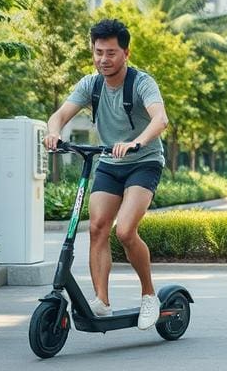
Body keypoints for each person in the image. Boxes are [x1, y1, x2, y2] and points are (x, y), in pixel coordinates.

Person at [44, 18, 170, 330]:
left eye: (111, 53)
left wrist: (136, 142)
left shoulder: (142, 83)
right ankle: (101, 300)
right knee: (98, 228)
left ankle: (149, 295)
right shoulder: (91, 84)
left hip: (143, 161)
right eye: (98, 52)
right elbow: (59, 115)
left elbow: (160, 119)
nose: (103, 59)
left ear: (126, 53)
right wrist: (53, 133)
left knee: (125, 231)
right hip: (108, 163)